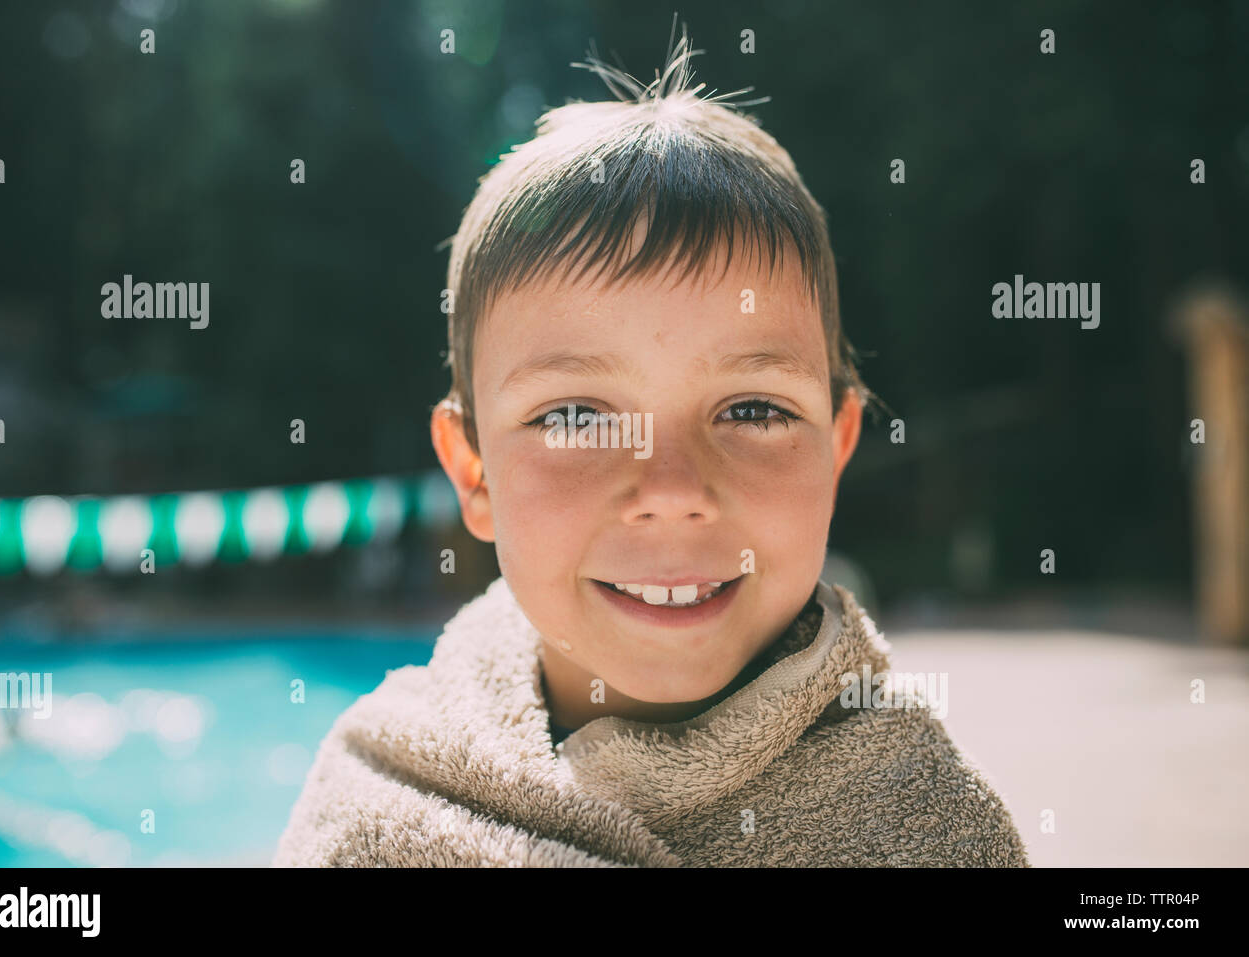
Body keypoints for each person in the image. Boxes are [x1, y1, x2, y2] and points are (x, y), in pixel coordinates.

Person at [274, 21, 1028, 867]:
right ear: (473, 472)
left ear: (836, 446)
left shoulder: (924, 826)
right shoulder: (379, 795)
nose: (671, 486)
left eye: (751, 410)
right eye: (575, 418)